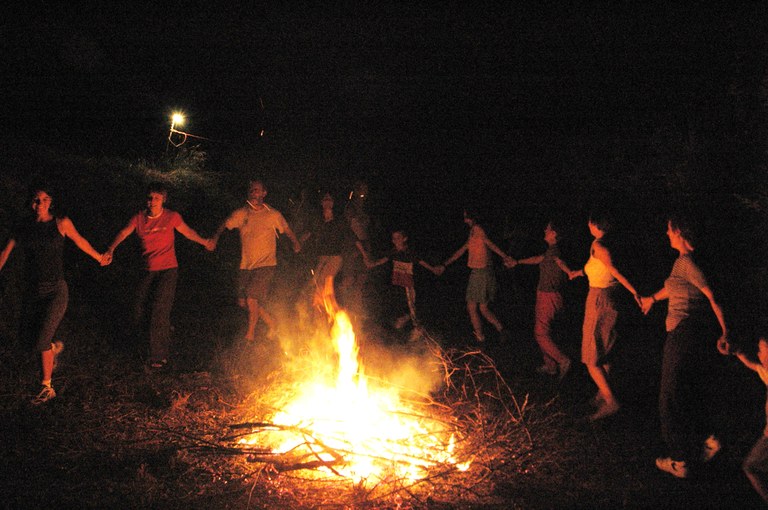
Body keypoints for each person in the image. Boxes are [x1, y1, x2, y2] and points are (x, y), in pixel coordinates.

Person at [638, 215, 729, 478]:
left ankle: (681, 461)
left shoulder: (687, 262)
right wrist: (652, 299)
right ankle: (709, 440)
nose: (666, 234)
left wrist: (727, 332)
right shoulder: (685, 263)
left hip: (684, 334)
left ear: (679, 232)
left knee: (669, 396)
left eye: (669, 230)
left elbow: (714, 296)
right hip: (690, 333)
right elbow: (678, 288)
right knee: (686, 391)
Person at [0, 184, 108, 404]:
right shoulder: (22, 227)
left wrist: (99, 257)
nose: (40, 204)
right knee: (27, 341)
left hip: (56, 291)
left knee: (40, 341)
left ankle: (46, 387)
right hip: (32, 292)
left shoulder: (61, 223)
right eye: (36, 199)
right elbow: (4, 252)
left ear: (51, 202)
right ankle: (52, 349)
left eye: (45, 199)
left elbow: (80, 241)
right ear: (30, 202)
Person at [106, 182, 214, 370]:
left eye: (157, 198)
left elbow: (187, 232)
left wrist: (204, 241)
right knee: (139, 308)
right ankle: (152, 339)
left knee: (159, 309)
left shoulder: (171, 217)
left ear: (163, 200)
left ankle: (159, 356)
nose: (153, 201)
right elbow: (124, 232)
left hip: (168, 269)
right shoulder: (139, 219)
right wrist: (111, 249)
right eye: (150, 198)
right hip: (148, 269)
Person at [570, 213, 640, 421]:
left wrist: (636, 293)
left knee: (591, 357)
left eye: (589, 221)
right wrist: (578, 272)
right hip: (606, 296)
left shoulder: (601, 246)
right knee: (604, 348)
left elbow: (615, 271)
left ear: (595, 224)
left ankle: (611, 401)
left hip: (601, 299)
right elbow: (597, 267)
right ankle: (603, 392)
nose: (587, 224)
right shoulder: (602, 243)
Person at [212, 178, 301, 341]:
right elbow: (225, 224)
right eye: (252, 190)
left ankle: (250, 335)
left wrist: (296, 243)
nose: (254, 192)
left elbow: (287, 230)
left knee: (251, 298)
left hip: (266, 264)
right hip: (246, 265)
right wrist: (215, 238)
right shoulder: (241, 214)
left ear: (264, 193)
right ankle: (271, 322)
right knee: (242, 301)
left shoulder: (272, 214)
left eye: (257, 190)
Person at [509, 221, 577, 380]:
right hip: (545, 295)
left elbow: (561, 263)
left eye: (548, 228)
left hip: (549, 296)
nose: (545, 230)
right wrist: (517, 262)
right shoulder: (550, 251)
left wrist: (570, 272)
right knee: (543, 331)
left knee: (540, 333)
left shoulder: (556, 252)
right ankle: (551, 366)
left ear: (554, 233)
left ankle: (562, 360)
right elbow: (538, 258)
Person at [438, 207, 514, 342]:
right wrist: (445, 264)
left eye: (466, 216)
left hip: (481, 273)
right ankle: (500, 330)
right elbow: (462, 250)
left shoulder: (478, 230)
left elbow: (489, 243)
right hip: (481, 272)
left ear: (471, 217)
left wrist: (505, 257)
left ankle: (481, 337)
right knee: (482, 308)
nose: (464, 219)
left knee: (473, 307)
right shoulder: (473, 232)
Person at [360, 229, 442, 339]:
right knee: (398, 301)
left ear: (404, 239)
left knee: (411, 304)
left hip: (408, 283)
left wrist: (432, 269)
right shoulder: (393, 252)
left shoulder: (409, 252)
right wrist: (372, 264)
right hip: (398, 282)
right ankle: (403, 320)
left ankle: (417, 328)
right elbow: (383, 260)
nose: (395, 240)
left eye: (398, 238)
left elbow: (421, 261)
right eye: (393, 238)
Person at [730, 332, 768, 504]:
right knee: (752, 467)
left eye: (763, 350)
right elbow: (751, 363)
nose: (759, 354)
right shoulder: (765, 372)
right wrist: (736, 351)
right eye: (759, 350)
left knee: (751, 467)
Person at [302, 191, 348, 311]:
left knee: (325, 282)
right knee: (314, 283)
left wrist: (362, 252)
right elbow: (309, 232)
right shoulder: (317, 219)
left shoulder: (339, 219)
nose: (327, 202)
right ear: (321, 203)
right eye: (325, 200)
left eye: (330, 200)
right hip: (321, 257)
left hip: (335, 257)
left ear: (333, 203)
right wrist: (298, 243)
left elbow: (349, 235)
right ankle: (319, 310)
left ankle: (331, 310)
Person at [339, 180, 371, 318]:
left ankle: (357, 313)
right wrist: (361, 248)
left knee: (361, 280)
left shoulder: (365, 207)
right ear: (356, 191)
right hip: (352, 247)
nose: (364, 193)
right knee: (349, 278)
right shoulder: (350, 207)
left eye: (366, 190)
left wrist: (367, 248)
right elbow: (354, 227)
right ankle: (341, 306)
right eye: (361, 190)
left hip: (364, 245)